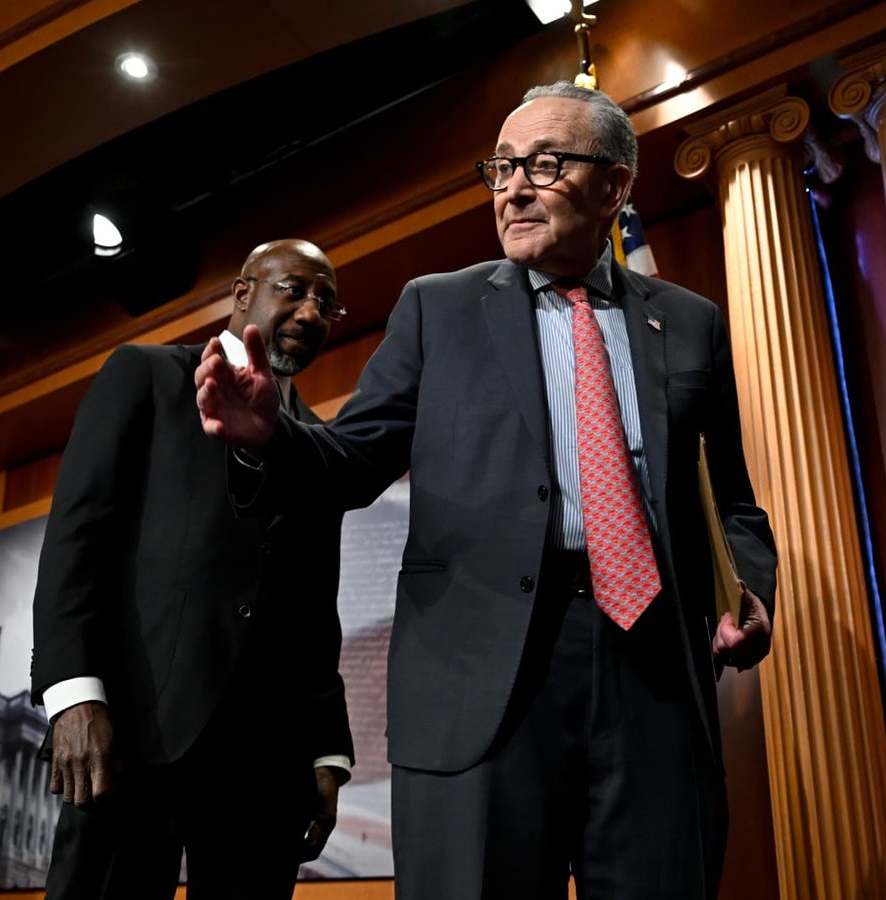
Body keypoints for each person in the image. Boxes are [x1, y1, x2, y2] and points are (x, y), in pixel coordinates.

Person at [196, 84, 777, 899]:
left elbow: (732, 502)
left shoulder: (689, 322)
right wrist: (272, 437)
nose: (513, 189)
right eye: (501, 168)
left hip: (655, 676)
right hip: (482, 678)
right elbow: (351, 460)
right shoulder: (437, 308)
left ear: (614, 186)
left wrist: (750, 589)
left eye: (544, 164)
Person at [31, 239, 354, 899]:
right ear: (243, 292)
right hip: (133, 731)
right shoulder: (146, 376)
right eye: (294, 289)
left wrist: (326, 749)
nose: (311, 311)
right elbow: (76, 540)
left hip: (267, 759)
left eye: (327, 303)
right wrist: (74, 696)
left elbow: (315, 606)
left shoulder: (319, 445)